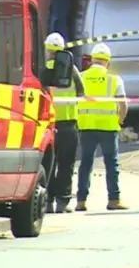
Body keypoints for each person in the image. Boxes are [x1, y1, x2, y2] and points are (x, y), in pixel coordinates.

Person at [75, 43, 128, 211]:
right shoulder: (115, 79)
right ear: (108, 61)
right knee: (111, 164)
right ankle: (114, 200)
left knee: (85, 164)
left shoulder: (81, 77)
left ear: (91, 60)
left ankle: (81, 201)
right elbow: (123, 104)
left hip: (86, 126)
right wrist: (120, 120)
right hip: (109, 127)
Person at [43, 32, 85, 214]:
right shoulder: (72, 69)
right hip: (68, 123)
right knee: (67, 164)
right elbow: (81, 93)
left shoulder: (41, 69)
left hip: (48, 124)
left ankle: (48, 201)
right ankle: (62, 202)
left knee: (49, 164)